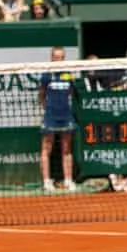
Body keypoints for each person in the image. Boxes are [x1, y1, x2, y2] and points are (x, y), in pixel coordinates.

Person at [39, 46, 78, 192]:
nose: (58, 60)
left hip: (65, 115)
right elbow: (41, 94)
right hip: (50, 116)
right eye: (56, 57)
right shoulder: (46, 76)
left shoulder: (68, 75)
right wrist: (46, 109)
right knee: (46, 149)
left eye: (61, 57)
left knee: (67, 149)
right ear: (51, 58)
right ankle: (46, 181)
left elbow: (71, 92)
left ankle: (68, 180)